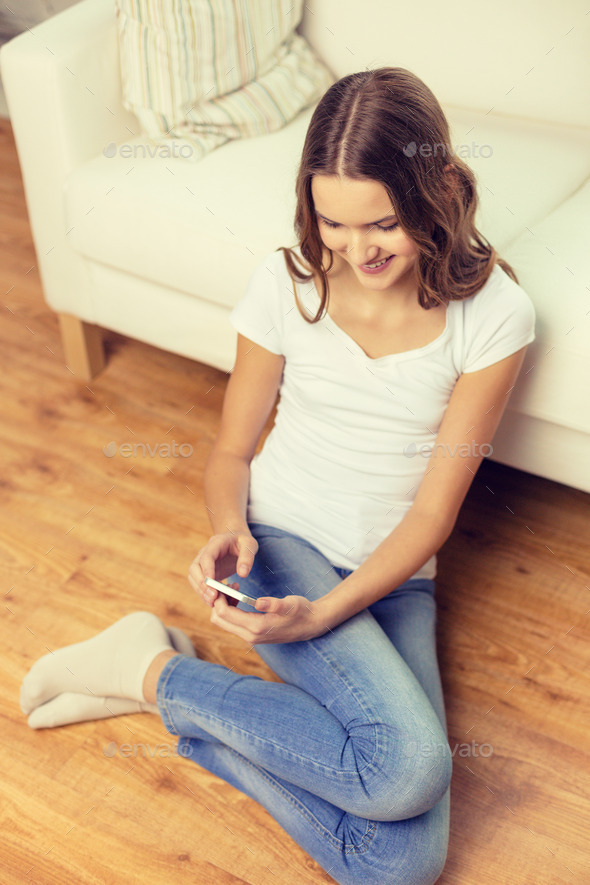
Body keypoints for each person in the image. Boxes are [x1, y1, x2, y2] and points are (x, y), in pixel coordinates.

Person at [20, 67, 536, 884]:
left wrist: (325, 612)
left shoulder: (497, 315)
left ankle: (159, 681)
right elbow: (230, 452)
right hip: (281, 543)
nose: (358, 249)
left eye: (384, 224)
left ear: (437, 190)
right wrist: (231, 527)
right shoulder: (285, 285)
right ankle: (155, 671)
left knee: (398, 862)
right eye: (333, 221)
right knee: (407, 769)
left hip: (395, 578)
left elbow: (433, 516)